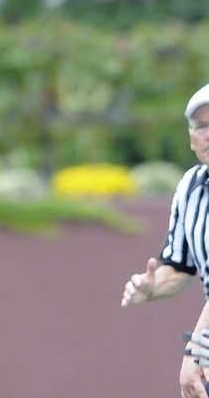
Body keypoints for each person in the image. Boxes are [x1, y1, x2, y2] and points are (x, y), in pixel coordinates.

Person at [121, 82, 209, 398]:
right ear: (190, 138)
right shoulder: (190, 186)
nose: (208, 134)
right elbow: (179, 266)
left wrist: (195, 349)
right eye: (201, 126)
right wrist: (151, 286)